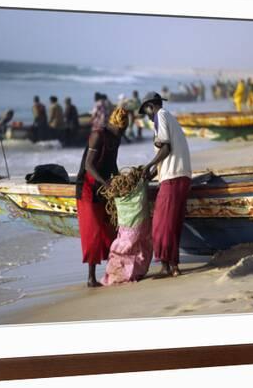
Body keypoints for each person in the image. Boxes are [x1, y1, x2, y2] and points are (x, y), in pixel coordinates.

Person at [76, 107, 130, 287]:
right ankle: (91, 278)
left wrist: (119, 181)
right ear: (114, 125)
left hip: (105, 188)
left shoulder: (116, 138)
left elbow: (112, 163)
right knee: (93, 232)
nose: (120, 134)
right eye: (119, 130)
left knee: (110, 229)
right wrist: (105, 183)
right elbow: (88, 165)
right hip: (89, 189)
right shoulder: (98, 135)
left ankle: (112, 270)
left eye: (123, 131)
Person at [140, 93, 192, 278]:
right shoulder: (169, 118)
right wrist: (151, 173)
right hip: (181, 175)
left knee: (160, 224)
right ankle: (174, 266)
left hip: (173, 178)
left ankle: (166, 267)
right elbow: (168, 155)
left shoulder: (160, 115)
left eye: (145, 111)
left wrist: (148, 165)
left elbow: (166, 148)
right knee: (173, 223)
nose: (146, 115)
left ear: (150, 106)